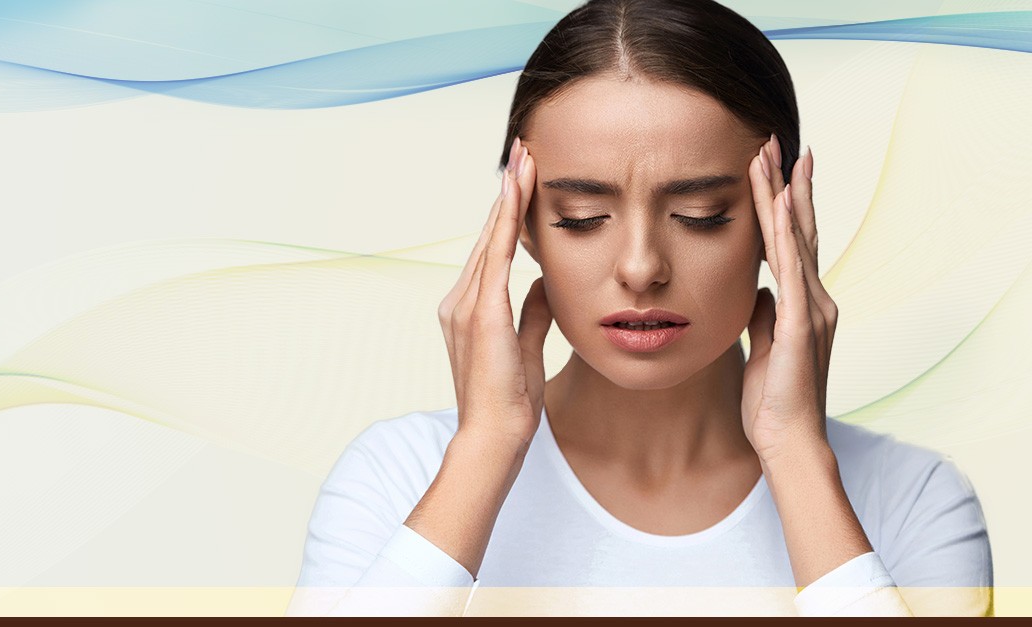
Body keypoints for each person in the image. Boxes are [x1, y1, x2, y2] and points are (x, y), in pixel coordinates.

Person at [286, 0, 993, 616]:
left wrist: (798, 457)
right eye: (584, 216)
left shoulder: (911, 499)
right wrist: (484, 450)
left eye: (700, 214)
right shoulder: (398, 476)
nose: (640, 267)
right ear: (521, 226)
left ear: (783, 224)